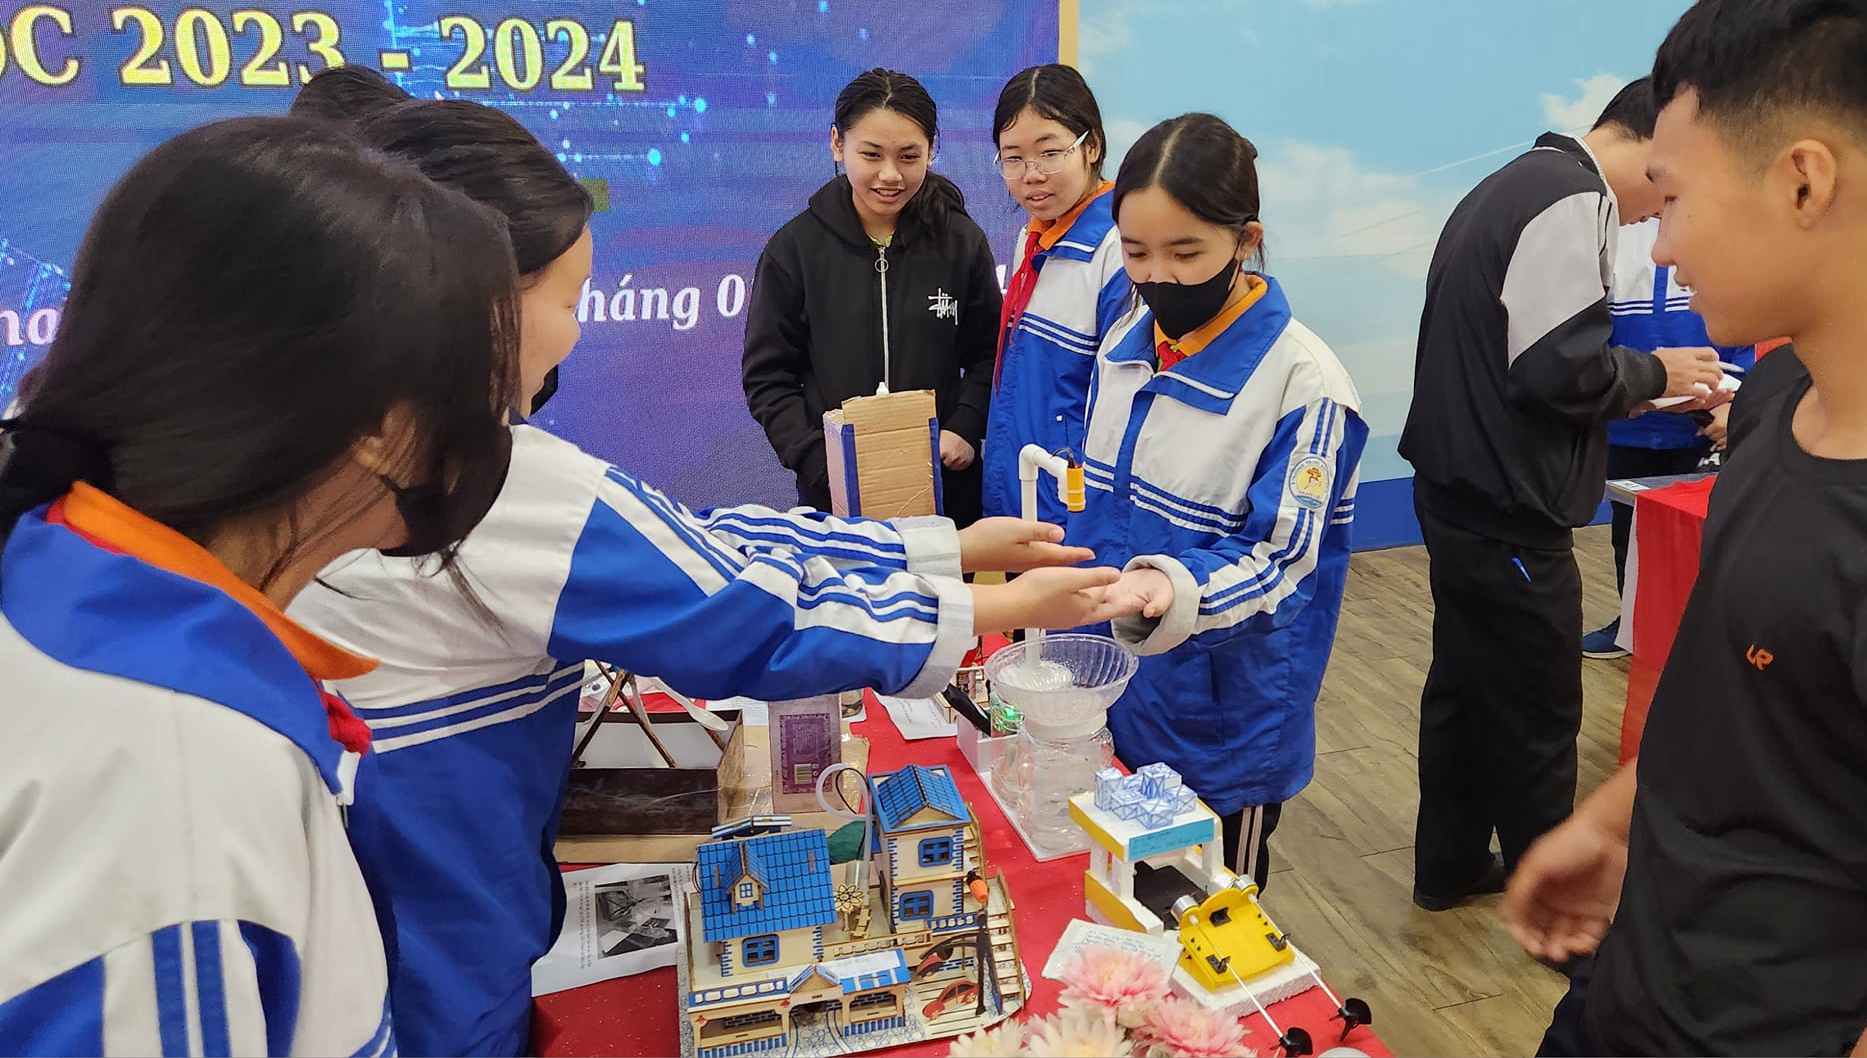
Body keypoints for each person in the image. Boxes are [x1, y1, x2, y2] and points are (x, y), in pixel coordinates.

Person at [285, 72, 1128, 1057]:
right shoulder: (479, 480)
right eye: (569, 299)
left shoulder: (340, 449)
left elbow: (702, 541)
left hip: (396, 912)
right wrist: (978, 603)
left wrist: (943, 545)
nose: (575, 332)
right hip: (430, 941)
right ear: (477, 302)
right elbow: (743, 608)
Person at [1505, 0, 1867, 1055]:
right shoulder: (1780, 393)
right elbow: (1742, 686)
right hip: (1621, 990)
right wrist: (1612, 817)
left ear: (1802, 180)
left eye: (1672, 199)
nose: (1660, 247)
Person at [0, 116, 523, 1055]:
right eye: (480, 379)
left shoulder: (61, 587)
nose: (505, 411)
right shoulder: (172, 780)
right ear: (378, 421)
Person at [1397, 78, 1730, 913]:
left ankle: (1448, 865)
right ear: (1654, 147)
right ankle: (1559, 903)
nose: (1659, 220)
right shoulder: (1569, 196)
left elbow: (1527, 361)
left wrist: (1639, 388)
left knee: (1465, 689)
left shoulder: (1520, 182)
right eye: (1671, 190)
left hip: (1463, 488)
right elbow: (1554, 367)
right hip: (1506, 505)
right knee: (1538, 709)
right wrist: (1659, 372)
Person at [1082, 113, 1367, 892]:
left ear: (1246, 241)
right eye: (1135, 252)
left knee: (1206, 916)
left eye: (1186, 253)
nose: (1158, 277)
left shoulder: (1306, 386)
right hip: (1117, 693)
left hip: (1218, 724)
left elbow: (1283, 564)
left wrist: (1170, 588)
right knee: (1117, 905)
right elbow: (1103, 507)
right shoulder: (1125, 347)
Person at [743, 68, 1001, 525]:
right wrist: (820, 463)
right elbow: (768, 377)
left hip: (945, 495)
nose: (890, 175)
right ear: (837, 144)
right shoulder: (794, 250)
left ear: (931, 150)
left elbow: (990, 355)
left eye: (908, 156)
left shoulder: (961, 242)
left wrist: (965, 426)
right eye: (871, 154)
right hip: (834, 503)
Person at [1580, 220, 1754, 660]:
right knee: (1631, 532)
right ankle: (1633, 624)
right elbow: (1589, 336)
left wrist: (1740, 404)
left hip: (1708, 421)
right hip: (1629, 421)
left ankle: (1712, 636)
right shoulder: (1611, 235)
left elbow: (1749, 329)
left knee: (1712, 534)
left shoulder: (1722, 229)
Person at [982, 64, 1123, 526]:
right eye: (1013, 158)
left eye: (1049, 153)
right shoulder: (1033, 236)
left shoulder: (1119, 249)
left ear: (1092, 146)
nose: (1032, 175)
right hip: (1019, 487)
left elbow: (1119, 408)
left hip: (1072, 506)